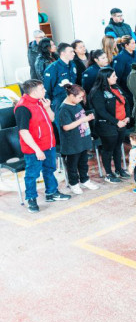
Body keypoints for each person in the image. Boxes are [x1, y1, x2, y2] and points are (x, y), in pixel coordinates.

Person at [14, 79, 70, 213]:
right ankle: (31, 199)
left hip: (48, 144)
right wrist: (37, 150)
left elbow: (51, 119)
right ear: (33, 92)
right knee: (32, 174)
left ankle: (51, 193)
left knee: (49, 169)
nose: (45, 91)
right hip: (34, 149)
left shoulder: (40, 102)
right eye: (42, 89)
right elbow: (23, 132)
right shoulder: (23, 107)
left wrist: (47, 107)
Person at [88, 67, 130, 183]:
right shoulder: (97, 92)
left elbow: (125, 102)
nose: (116, 77)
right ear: (106, 78)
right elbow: (101, 111)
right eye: (113, 76)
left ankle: (118, 169)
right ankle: (108, 174)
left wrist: (127, 117)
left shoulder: (116, 87)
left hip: (122, 123)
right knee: (108, 150)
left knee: (118, 147)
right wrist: (117, 122)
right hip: (107, 125)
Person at [57, 84, 100, 195]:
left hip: (82, 139)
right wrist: (83, 120)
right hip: (72, 142)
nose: (81, 100)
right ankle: (74, 183)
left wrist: (88, 118)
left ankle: (84, 179)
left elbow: (80, 117)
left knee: (83, 162)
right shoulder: (64, 109)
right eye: (79, 97)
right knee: (72, 165)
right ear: (71, 96)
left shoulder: (76, 104)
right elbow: (66, 127)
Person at [42, 43, 77, 115]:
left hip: (72, 96)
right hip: (59, 99)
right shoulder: (53, 68)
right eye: (71, 52)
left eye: (73, 51)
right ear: (63, 53)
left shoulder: (72, 64)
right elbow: (47, 89)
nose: (74, 54)